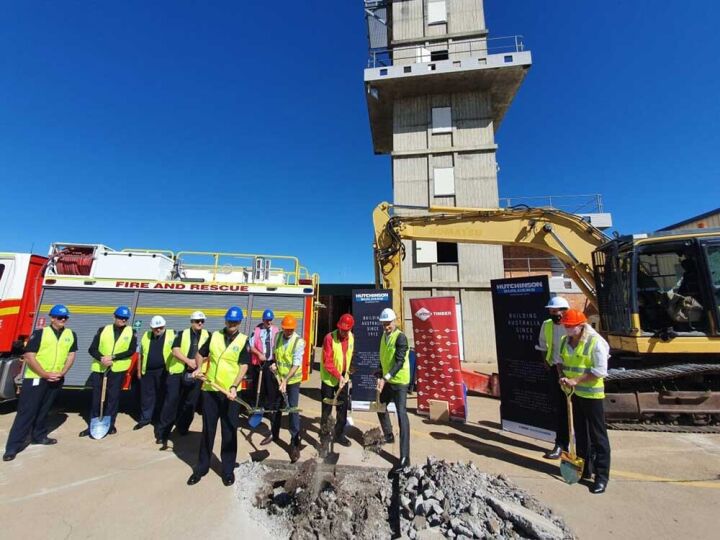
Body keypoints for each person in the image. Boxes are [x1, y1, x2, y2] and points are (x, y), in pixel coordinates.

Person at [3, 305, 78, 461]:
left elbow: (71, 355)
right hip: (36, 379)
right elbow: (30, 356)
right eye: (59, 317)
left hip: (56, 379)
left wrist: (62, 373)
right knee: (26, 412)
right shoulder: (40, 334)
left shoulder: (71, 334)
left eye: (65, 317)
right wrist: (45, 374)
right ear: (52, 318)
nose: (62, 319)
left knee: (44, 410)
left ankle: (39, 436)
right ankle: (12, 446)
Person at [187, 306, 250, 487]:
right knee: (208, 430)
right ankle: (201, 467)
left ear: (239, 323)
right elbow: (200, 354)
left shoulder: (243, 341)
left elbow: (244, 366)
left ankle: (227, 470)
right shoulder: (214, 336)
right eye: (230, 321)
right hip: (210, 390)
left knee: (229, 431)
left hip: (229, 393)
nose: (232, 324)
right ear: (225, 320)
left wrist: (234, 386)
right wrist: (199, 368)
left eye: (235, 322)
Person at [558, 309, 611, 494]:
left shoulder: (594, 342)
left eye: (570, 326)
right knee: (580, 433)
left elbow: (600, 370)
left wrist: (576, 380)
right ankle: (584, 469)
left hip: (592, 396)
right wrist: (563, 377)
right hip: (574, 394)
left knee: (598, 436)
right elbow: (561, 361)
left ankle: (601, 477)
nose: (566, 328)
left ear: (581, 326)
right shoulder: (565, 341)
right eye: (565, 325)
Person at [80, 306, 137, 437]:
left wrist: (113, 357)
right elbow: (92, 349)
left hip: (118, 370)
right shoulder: (102, 330)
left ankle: (110, 425)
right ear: (114, 317)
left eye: (125, 318)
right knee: (97, 398)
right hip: (100, 368)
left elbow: (131, 350)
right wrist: (102, 359)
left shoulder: (131, 332)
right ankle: (92, 425)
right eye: (120, 317)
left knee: (113, 398)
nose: (122, 320)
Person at [156, 311, 210, 445]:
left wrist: (198, 363)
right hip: (178, 372)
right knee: (171, 402)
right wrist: (188, 361)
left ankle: (183, 427)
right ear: (191, 322)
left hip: (197, 373)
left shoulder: (208, 335)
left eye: (202, 321)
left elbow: (210, 353)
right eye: (197, 321)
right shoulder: (182, 334)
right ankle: (163, 433)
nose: (200, 323)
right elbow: (175, 350)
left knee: (190, 403)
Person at [261, 315, 305, 463]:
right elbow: (275, 354)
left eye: (290, 330)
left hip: (292, 380)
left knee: (292, 409)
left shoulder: (299, 342)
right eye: (286, 329)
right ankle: (274, 433)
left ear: (294, 329)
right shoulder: (278, 336)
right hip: (278, 377)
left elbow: (296, 364)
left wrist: (285, 381)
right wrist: (273, 364)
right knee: (275, 407)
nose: (287, 332)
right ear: (282, 328)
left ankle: (294, 442)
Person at [376, 308, 411, 473]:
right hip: (388, 380)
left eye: (388, 324)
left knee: (401, 415)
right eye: (384, 324)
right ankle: (388, 435)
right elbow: (383, 356)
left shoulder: (401, 338)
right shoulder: (384, 336)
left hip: (400, 382)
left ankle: (405, 458)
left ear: (394, 321)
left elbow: (399, 361)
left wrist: (385, 377)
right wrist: (379, 372)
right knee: (381, 406)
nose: (386, 327)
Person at [536, 296, 570, 460]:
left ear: (564, 311)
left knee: (575, 412)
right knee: (560, 410)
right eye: (550, 311)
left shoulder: (573, 326)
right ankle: (560, 444)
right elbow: (542, 344)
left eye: (554, 311)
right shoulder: (547, 325)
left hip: (572, 374)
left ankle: (577, 447)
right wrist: (546, 363)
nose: (552, 313)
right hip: (555, 372)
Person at [134, 316, 175, 438]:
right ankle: (145, 419)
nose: (158, 330)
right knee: (146, 397)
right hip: (148, 372)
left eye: (160, 327)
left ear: (164, 326)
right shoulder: (146, 336)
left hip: (163, 371)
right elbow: (141, 354)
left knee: (162, 397)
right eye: (156, 328)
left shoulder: (172, 335)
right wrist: (138, 370)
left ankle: (158, 420)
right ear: (151, 327)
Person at [320, 313, 355, 448]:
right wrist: (338, 376)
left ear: (350, 329)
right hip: (329, 379)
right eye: (342, 329)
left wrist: (350, 371)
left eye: (346, 330)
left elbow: (352, 355)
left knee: (342, 408)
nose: (343, 332)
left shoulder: (351, 338)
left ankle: (339, 434)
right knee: (326, 410)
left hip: (343, 379)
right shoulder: (329, 338)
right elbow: (327, 361)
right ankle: (324, 436)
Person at [248, 309, 279, 406]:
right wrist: (259, 354)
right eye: (267, 320)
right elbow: (250, 346)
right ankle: (257, 408)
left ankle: (270, 409)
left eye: (270, 320)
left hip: (270, 364)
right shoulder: (257, 330)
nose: (269, 322)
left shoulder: (276, 330)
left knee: (271, 389)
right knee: (258, 389)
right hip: (259, 364)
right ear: (263, 320)